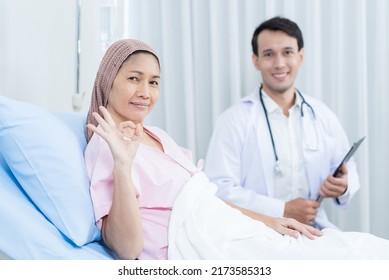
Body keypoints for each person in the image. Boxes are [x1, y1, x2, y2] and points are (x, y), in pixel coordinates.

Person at [84, 39, 389, 261]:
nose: (145, 93)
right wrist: (123, 164)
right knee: (352, 259)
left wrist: (268, 220)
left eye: (154, 82)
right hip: (205, 242)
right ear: (108, 80)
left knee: (362, 249)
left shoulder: (157, 135)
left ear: (301, 56)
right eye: (134, 79)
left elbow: (205, 199)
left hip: (234, 227)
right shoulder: (106, 146)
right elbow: (127, 249)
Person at [204, 16, 360, 230]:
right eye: (269, 54)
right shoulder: (234, 120)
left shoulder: (322, 115)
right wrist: (281, 209)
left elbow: (347, 168)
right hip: (256, 230)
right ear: (256, 60)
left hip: (314, 229)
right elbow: (218, 189)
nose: (279, 63)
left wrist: (343, 186)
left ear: (301, 56)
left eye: (287, 52)